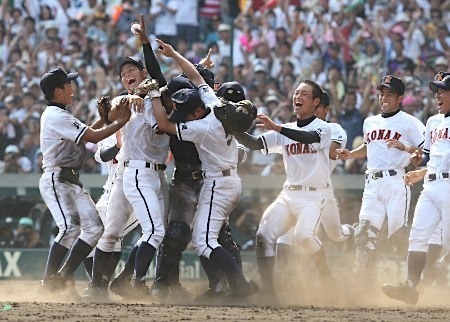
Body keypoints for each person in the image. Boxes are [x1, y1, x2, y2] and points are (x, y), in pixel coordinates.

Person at [150, 39, 259, 301]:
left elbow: (165, 125)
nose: (184, 115)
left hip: (218, 185)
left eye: (186, 112)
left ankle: (240, 285)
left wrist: (154, 93)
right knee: (203, 239)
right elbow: (197, 77)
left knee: (206, 242)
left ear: (196, 110)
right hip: (225, 181)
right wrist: (176, 54)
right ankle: (226, 286)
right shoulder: (215, 107)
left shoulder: (204, 126)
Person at [235, 80, 335, 301]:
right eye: (296, 92)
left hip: (313, 196)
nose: (297, 96)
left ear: (315, 101)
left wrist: (278, 128)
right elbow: (254, 144)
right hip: (289, 194)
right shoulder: (285, 129)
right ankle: (270, 293)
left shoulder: (322, 128)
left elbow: (309, 138)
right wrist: (231, 127)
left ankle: (326, 275)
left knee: (303, 238)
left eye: (304, 94)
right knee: (263, 236)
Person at [38, 66, 131, 299]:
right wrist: (121, 121)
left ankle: (64, 275)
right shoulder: (55, 115)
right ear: (58, 90)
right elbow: (93, 137)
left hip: (70, 179)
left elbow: (88, 132)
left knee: (95, 228)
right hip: (56, 177)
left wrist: (103, 120)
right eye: (68, 84)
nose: (73, 86)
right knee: (70, 228)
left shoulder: (62, 114)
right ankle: (50, 280)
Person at [337, 75, 426, 290]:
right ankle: (363, 285)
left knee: (398, 237)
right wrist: (350, 154)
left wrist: (407, 149)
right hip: (372, 183)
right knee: (364, 233)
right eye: (382, 94)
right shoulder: (370, 121)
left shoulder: (409, 122)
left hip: (396, 181)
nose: (384, 98)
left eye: (390, 94)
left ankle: (416, 281)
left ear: (400, 98)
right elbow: (369, 147)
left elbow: (425, 150)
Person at [382, 71, 450, 305]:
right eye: (437, 92)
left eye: (443, 91)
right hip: (431, 184)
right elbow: (430, 155)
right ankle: (410, 287)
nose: (438, 96)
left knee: (448, 243)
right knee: (418, 236)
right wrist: (418, 164)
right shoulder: (433, 122)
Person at [275, 91, 355, 279]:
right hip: (298, 192)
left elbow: (332, 151)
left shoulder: (333, 128)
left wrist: (326, 147)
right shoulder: (295, 128)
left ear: (325, 110)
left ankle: (353, 231)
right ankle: (279, 279)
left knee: (336, 235)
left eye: (317, 106)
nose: (313, 109)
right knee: (287, 234)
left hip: (322, 192)